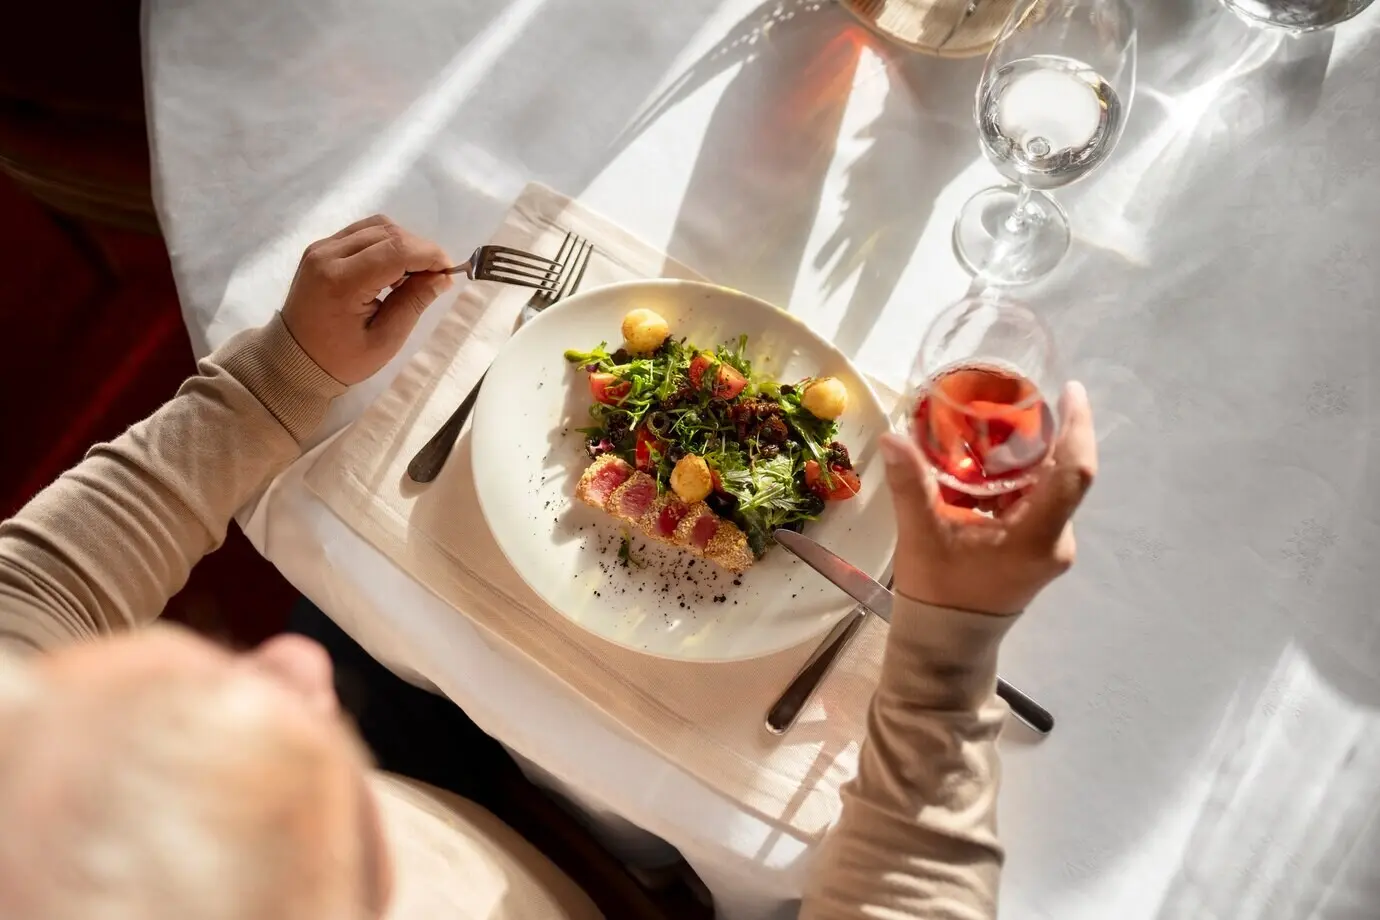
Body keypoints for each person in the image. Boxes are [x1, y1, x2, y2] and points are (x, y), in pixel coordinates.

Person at [0, 216, 1096, 920]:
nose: (291, 660)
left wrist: (276, 381)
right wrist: (950, 643)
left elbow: (31, 597)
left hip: (427, 784)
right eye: (251, 805)